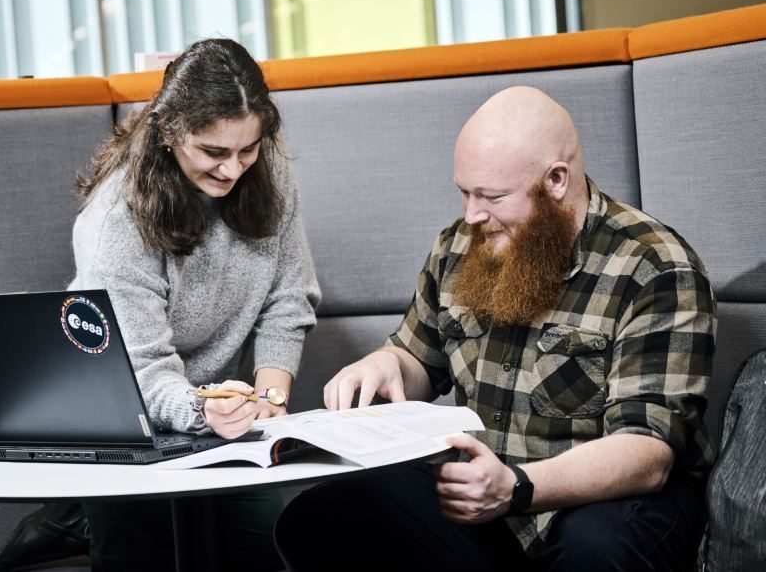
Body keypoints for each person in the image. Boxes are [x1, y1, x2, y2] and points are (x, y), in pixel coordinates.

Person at [275, 86, 715, 572]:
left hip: (606, 501)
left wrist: (517, 487)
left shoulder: (655, 267)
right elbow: (418, 359)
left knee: (594, 545)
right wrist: (385, 364)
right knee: (318, 519)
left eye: (492, 196)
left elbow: (647, 454)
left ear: (556, 181)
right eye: (464, 192)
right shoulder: (461, 245)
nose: (471, 215)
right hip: (489, 499)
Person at [70, 37, 318, 571]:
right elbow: (141, 368)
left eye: (247, 149)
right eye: (213, 152)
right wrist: (201, 409)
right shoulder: (117, 218)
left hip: (219, 415)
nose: (233, 170)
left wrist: (270, 399)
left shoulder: (267, 170)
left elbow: (286, 300)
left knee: (269, 547)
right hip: (124, 418)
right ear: (169, 130)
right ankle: (72, 516)